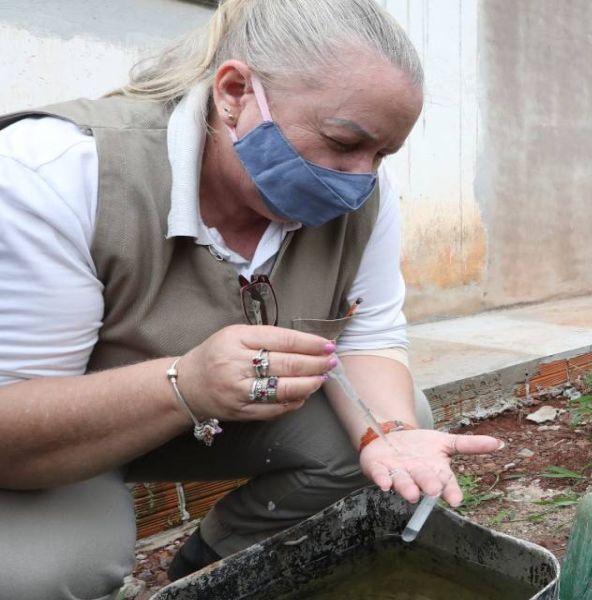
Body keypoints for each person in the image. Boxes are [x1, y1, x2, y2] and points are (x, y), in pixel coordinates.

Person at [0, 1, 503, 597]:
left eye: (381, 155)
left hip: (204, 419)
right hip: (54, 434)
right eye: (343, 141)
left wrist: (389, 430)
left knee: (389, 432)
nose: (360, 178)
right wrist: (185, 385)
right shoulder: (55, 174)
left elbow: (369, 335)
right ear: (234, 92)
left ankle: (214, 567)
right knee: (46, 569)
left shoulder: (361, 193)